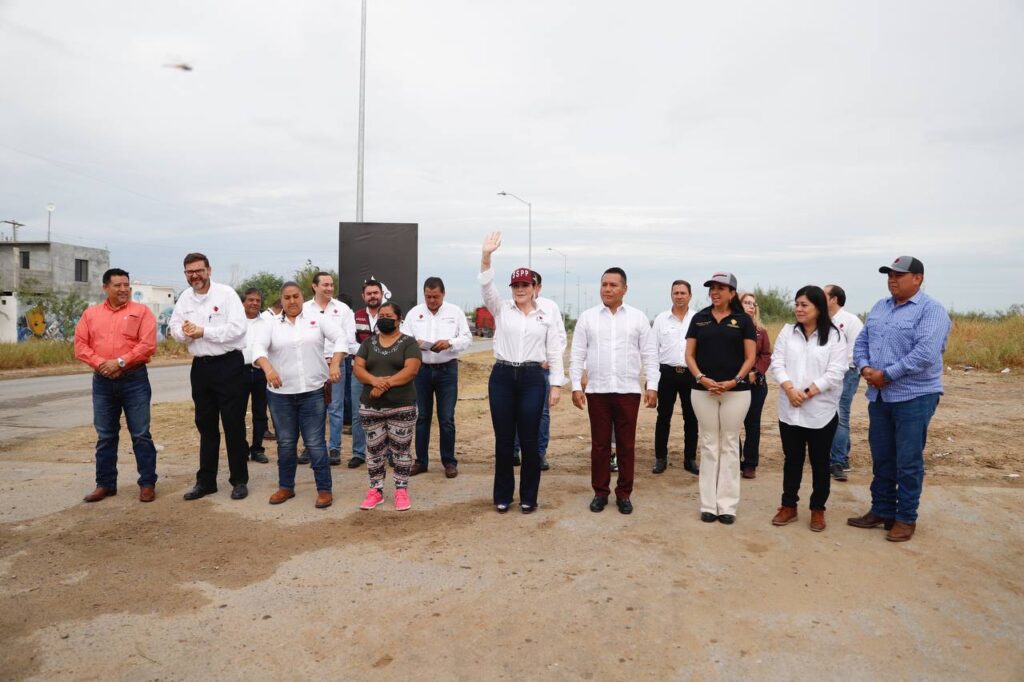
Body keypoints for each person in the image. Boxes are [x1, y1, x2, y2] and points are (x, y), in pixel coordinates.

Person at [848, 256, 951, 542]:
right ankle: (882, 510)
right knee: (882, 457)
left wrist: (887, 374)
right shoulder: (881, 307)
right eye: (889, 275)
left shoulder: (932, 311)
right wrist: (866, 367)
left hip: (914, 397)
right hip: (880, 396)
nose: (892, 280)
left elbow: (925, 354)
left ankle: (906, 518)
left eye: (899, 275)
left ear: (918, 278)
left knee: (907, 461)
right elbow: (862, 341)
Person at [479, 233, 563, 513]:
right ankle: (503, 496)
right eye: (516, 285)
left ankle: (529, 496)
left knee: (529, 441)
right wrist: (487, 256)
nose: (520, 289)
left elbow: (554, 350)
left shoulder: (546, 314)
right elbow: (487, 286)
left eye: (525, 284)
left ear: (534, 287)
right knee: (504, 440)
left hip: (532, 379)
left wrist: (557, 384)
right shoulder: (502, 309)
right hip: (502, 377)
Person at [570, 266, 659, 515]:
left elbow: (649, 354)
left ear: (625, 289)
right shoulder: (588, 317)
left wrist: (652, 385)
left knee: (626, 445)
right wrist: (576, 386)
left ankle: (624, 494)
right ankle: (600, 492)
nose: (607, 289)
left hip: (627, 390)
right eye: (604, 284)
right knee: (599, 445)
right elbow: (577, 354)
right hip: (597, 391)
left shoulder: (638, 318)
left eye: (613, 285)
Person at [252, 282, 345, 508]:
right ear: (281, 300)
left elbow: (341, 338)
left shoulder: (318, 318)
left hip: (312, 393)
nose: (292, 301)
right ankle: (286, 487)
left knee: (315, 443)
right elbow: (257, 349)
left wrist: (335, 364)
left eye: (295, 296)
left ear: (302, 297)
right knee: (285, 443)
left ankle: (324, 490)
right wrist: (268, 369)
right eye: (287, 297)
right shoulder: (270, 324)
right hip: (280, 395)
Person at [170, 253, 250, 501]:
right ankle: (206, 482)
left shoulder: (226, 294)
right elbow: (174, 327)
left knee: (233, 425)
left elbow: (238, 329)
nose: (195, 275)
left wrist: (203, 331)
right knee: (205, 426)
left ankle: (239, 480)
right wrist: (185, 333)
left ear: (209, 270)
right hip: (201, 368)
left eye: (199, 270)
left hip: (228, 366)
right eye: (189, 272)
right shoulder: (185, 298)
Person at [74, 268, 159, 503]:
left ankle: (147, 483)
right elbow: (81, 346)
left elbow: (147, 345)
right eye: (118, 285)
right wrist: (102, 364)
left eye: (126, 285)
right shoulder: (90, 315)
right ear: (105, 288)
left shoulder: (141, 312)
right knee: (105, 435)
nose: (124, 290)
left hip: (134, 379)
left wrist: (120, 361)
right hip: (102, 382)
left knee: (141, 434)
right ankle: (105, 484)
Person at [769, 286, 848, 532]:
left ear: (818, 308)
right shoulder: (787, 332)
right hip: (790, 408)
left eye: (804, 305)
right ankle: (788, 505)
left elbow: (836, 372)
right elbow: (776, 363)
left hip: (820, 411)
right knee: (792, 459)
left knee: (820, 462)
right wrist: (790, 389)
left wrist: (808, 392)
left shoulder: (834, 336)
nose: (799, 309)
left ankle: (817, 509)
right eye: (797, 304)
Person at [685, 272, 756, 524]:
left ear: (732, 293)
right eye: (712, 288)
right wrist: (701, 378)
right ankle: (708, 504)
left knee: (729, 444)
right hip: (703, 391)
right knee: (708, 444)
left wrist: (733, 381)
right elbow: (689, 355)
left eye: (721, 288)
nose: (715, 292)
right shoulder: (699, 318)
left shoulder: (743, 320)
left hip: (735, 392)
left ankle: (727, 505)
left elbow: (750, 358)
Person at [353, 302, 422, 511]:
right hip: (371, 406)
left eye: (388, 315)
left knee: (401, 450)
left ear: (399, 319)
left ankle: (401, 490)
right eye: (381, 315)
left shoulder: (408, 343)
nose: (384, 318)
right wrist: (374, 382)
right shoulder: (368, 343)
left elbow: (411, 370)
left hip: (401, 406)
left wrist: (384, 384)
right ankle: (376, 490)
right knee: (374, 451)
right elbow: (358, 367)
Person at [401, 276, 472, 478]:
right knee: (422, 417)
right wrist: (415, 343)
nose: (432, 301)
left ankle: (449, 462)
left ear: (443, 294)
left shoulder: (455, 312)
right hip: (421, 370)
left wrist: (450, 342)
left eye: (436, 297)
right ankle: (421, 461)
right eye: (428, 296)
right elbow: (404, 338)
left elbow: (467, 339)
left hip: (447, 370)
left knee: (446, 418)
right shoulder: (415, 313)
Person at [512, 270, 567, 471]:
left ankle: (539, 453)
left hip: (540, 370)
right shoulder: (512, 306)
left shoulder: (549, 308)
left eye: (530, 284)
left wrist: (549, 360)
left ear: (538, 287)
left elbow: (560, 338)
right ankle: (514, 451)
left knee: (541, 413)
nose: (526, 288)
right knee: (516, 412)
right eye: (522, 284)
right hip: (516, 370)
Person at [302, 272, 356, 466]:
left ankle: (334, 448)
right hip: (310, 363)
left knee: (335, 407)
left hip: (336, 362)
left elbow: (349, 339)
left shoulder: (343, 310)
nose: (329, 288)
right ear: (314, 287)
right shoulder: (303, 308)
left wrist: (334, 359)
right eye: (325, 285)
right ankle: (310, 446)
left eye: (331, 285)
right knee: (311, 407)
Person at [651, 280, 700, 475]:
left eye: (683, 293)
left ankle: (690, 459)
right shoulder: (661, 320)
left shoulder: (698, 319)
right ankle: (660, 458)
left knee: (691, 418)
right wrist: (652, 380)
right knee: (663, 417)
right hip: (667, 374)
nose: (679, 296)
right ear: (671, 295)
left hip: (691, 374)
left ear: (690, 295)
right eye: (676, 293)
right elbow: (652, 351)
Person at [824, 284, 864, 482]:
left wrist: (848, 369)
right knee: (830, 412)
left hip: (847, 373)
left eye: (824, 294)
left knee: (841, 415)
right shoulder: (822, 319)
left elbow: (858, 349)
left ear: (834, 299)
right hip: (826, 374)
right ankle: (842, 454)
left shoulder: (850, 321)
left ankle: (837, 461)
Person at [349, 279, 386, 469]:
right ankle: (358, 453)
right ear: (363, 296)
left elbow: (394, 339)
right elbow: (349, 342)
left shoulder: (389, 314)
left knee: (385, 413)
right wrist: (369, 352)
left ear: (381, 294)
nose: (373, 296)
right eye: (369, 293)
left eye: (375, 293)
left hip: (384, 373)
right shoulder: (355, 316)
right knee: (358, 414)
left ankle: (386, 453)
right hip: (360, 371)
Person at [738, 292, 772, 479]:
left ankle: (750, 464)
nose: (751, 306)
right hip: (735, 382)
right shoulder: (732, 328)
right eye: (747, 303)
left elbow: (766, 355)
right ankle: (734, 460)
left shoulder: (761, 331)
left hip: (756, 384)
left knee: (752, 424)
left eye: (753, 304)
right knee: (733, 424)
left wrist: (756, 372)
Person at [241, 287, 269, 464]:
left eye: (258, 300)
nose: (254, 303)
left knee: (260, 413)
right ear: (243, 302)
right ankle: (241, 449)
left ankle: (257, 449)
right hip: (238, 372)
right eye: (250, 300)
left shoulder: (267, 322)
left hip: (260, 371)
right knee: (238, 413)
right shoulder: (235, 321)